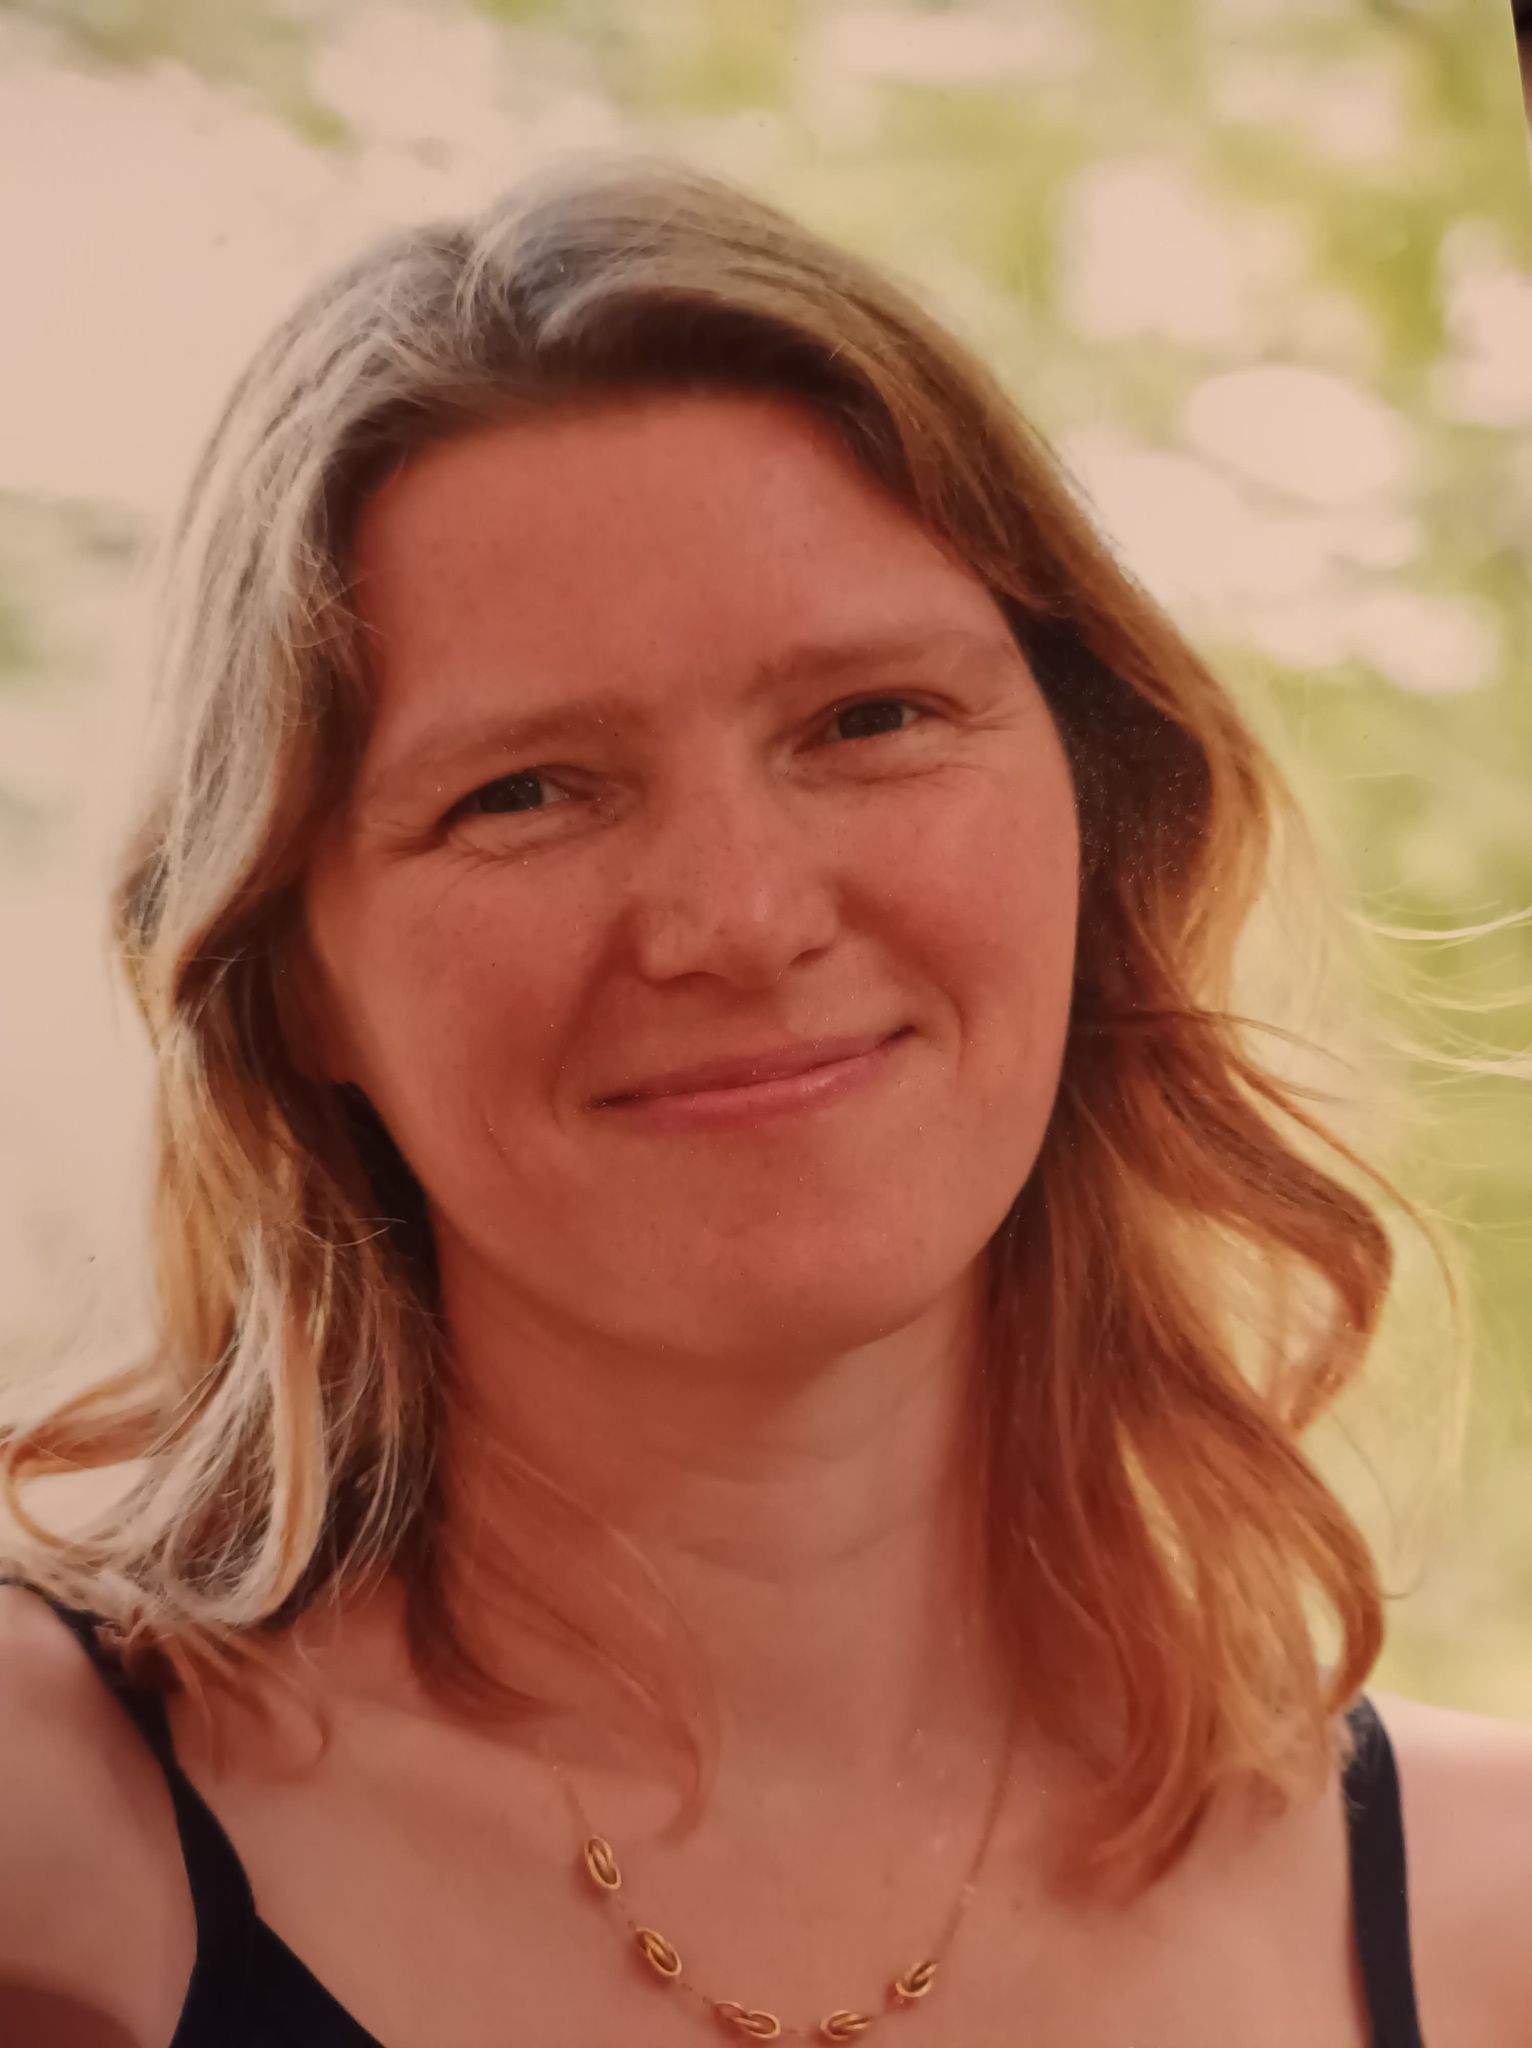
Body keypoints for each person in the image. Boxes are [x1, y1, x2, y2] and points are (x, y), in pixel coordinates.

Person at [0, 151, 1528, 2048]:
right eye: (523, 792)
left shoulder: (1499, 1921)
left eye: (868, 720)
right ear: (293, 974)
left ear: (1095, 809)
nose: (738, 917)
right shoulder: (49, 1837)